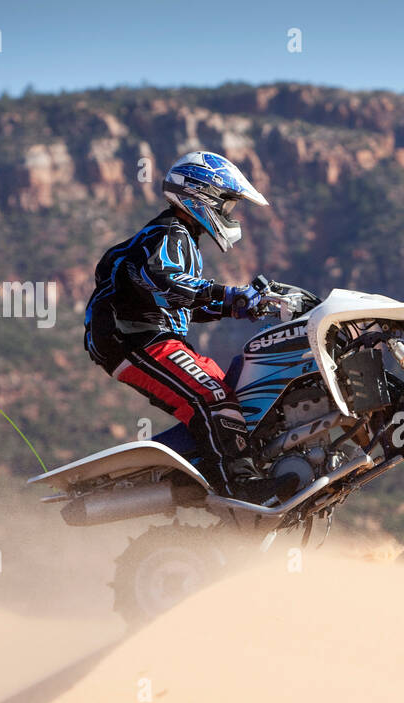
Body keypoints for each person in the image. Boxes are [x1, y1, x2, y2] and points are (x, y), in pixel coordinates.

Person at [83, 150, 296, 504]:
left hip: (155, 338)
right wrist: (230, 295)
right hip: (136, 340)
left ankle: (210, 472)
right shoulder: (169, 231)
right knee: (210, 396)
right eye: (226, 204)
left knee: (234, 392)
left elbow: (179, 297)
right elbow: (162, 279)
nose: (229, 213)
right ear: (202, 195)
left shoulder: (183, 238)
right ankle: (239, 487)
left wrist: (243, 307)